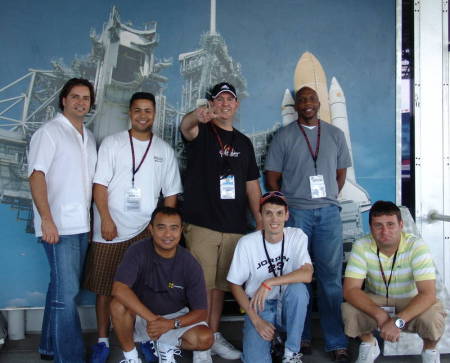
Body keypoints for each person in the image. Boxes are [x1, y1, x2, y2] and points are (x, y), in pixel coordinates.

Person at [83, 92, 182, 362]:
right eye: (137, 110)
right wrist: (105, 219)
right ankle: (103, 341)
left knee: (142, 290)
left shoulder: (164, 150)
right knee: (104, 288)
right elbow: (100, 185)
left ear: (154, 114)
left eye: (148, 111)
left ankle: (143, 339)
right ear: (130, 112)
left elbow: (171, 195)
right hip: (110, 229)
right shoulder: (113, 144)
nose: (142, 115)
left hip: (144, 231)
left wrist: (163, 229)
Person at [265, 86, 351, 361]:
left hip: (327, 214)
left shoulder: (335, 135)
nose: (307, 103)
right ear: (297, 106)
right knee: (298, 278)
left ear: (319, 102)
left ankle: (336, 341)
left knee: (330, 281)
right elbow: (272, 178)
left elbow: (340, 175)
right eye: (302, 100)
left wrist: (326, 199)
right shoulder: (284, 137)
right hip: (298, 215)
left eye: (311, 99)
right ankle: (298, 339)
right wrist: (289, 205)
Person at [179, 82, 262, 360]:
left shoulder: (243, 142)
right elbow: (185, 125)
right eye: (219, 99)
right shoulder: (201, 131)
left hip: (235, 226)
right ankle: (199, 341)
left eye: (230, 99)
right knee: (201, 286)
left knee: (219, 287)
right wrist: (196, 115)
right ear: (211, 104)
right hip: (202, 224)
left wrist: (260, 218)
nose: (225, 104)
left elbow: (252, 185)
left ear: (237, 105)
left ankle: (211, 336)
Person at [28, 78, 97, 362]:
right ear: (64, 100)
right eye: (75, 96)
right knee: (67, 294)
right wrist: (46, 219)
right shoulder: (49, 133)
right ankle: (68, 357)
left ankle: (48, 346)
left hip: (81, 226)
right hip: (58, 227)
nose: (81, 102)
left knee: (60, 288)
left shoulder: (88, 136)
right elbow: (36, 175)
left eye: (86, 98)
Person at [342, 201, 446, 363]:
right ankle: (369, 344)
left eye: (391, 224)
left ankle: (429, 351)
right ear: (370, 227)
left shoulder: (416, 246)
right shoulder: (361, 245)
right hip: (378, 300)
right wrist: (381, 316)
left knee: (433, 315)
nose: (385, 231)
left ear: (401, 225)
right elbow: (350, 290)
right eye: (378, 225)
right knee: (349, 308)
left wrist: (397, 322)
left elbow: (428, 293)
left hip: (409, 300)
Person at [110, 206, 213, 363]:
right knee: (118, 305)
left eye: (174, 228)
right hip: (142, 315)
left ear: (181, 230)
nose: (167, 234)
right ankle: (131, 358)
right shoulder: (137, 251)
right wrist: (154, 320)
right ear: (151, 229)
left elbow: (201, 312)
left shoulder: (189, 262)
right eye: (161, 227)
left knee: (205, 338)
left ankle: (165, 343)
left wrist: (170, 324)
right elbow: (119, 289)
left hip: (174, 317)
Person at [227, 191, 313, 363]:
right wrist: (256, 320)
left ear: (287, 215)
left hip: (286, 304)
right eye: (268, 213)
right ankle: (274, 342)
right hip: (260, 306)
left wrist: (269, 282)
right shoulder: (247, 243)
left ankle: (291, 353)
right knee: (255, 360)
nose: (274, 219)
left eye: (279, 213)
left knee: (299, 291)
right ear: (260, 215)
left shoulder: (297, 236)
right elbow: (234, 283)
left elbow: (307, 274)